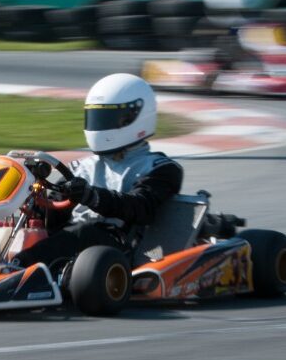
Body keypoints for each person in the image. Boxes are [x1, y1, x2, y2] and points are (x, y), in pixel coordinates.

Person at [12, 73, 183, 268]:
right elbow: (51, 220)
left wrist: (92, 196)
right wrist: (34, 200)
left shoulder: (160, 169)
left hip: (116, 250)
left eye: (108, 118)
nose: (100, 126)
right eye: (97, 117)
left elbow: (140, 207)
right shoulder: (81, 167)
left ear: (136, 116)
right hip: (71, 245)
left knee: (85, 231)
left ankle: (16, 268)